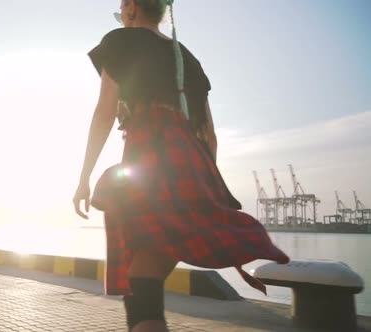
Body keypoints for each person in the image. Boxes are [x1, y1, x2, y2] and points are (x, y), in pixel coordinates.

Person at [72, 1, 290, 331]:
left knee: (141, 277)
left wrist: (84, 176)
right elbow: (209, 135)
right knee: (145, 273)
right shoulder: (187, 57)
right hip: (191, 163)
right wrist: (205, 186)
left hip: (148, 155)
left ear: (131, 7)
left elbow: (105, 111)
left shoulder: (120, 41)